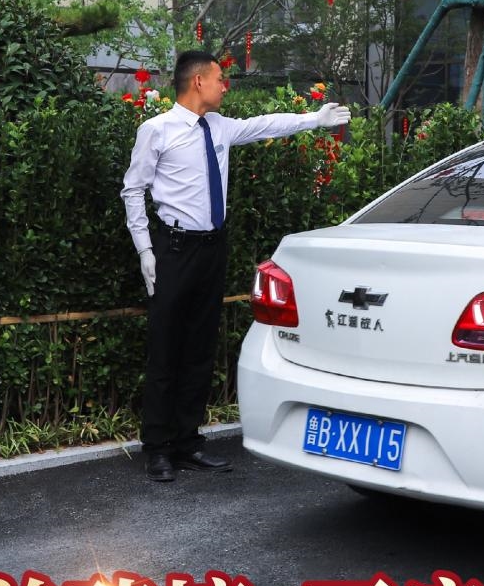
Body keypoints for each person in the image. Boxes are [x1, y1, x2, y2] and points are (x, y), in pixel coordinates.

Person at [121, 50, 350, 482]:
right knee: (166, 348)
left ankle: (188, 442)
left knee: (200, 348)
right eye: (219, 78)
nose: (224, 86)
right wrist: (145, 250)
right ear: (198, 82)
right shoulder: (157, 130)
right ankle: (158, 448)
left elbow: (265, 124)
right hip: (173, 249)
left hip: (212, 249)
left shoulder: (219, 127)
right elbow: (133, 190)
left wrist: (314, 120)